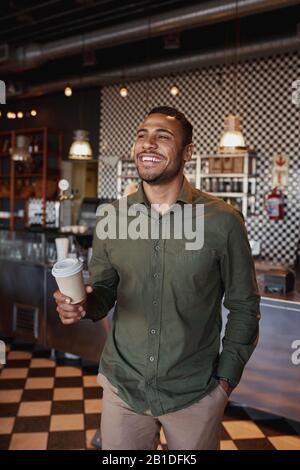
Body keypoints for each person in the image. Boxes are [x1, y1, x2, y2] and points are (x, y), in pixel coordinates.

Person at [54, 106, 261, 450]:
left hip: (194, 391)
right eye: (142, 135)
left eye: (163, 137)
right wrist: (82, 304)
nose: (148, 144)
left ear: (187, 153)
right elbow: (104, 291)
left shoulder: (223, 222)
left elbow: (244, 305)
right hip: (124, 387)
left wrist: (226, 380)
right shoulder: (112, 218)